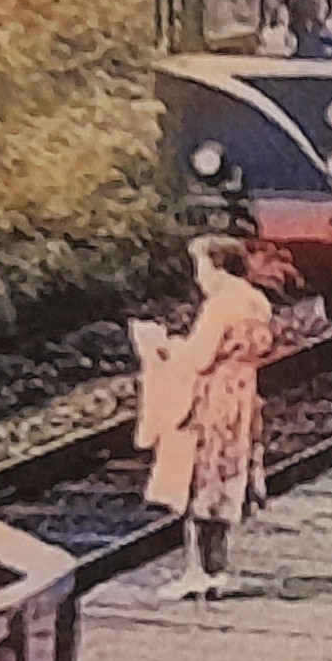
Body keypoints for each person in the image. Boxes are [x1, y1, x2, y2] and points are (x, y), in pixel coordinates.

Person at [134, 235, 277, 599]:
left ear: (216, 266)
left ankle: (196, 570)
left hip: (209, 399)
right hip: (242, 397)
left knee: (195, 481)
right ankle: (219, 568)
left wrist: (159, 345)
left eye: (200, 266)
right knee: (225, 481)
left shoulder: (220, 306)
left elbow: (199, 357)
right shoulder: (257, 302)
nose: (198, 277)